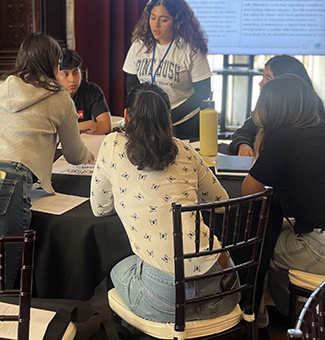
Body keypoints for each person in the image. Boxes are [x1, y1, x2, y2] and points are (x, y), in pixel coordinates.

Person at [0, 32, 91, 288]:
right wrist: (91, 156)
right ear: (54, 63)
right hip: (0, 188)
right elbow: (74, 154)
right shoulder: (59, 98)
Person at [91, 83, 237, 323]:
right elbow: (221, 203)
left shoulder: (112, 144)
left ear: (126, 115)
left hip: (166, 300)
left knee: (117, 269)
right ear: (168, 118)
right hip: (222, 288)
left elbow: (99, 208)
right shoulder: (187, 150)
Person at [241, 74, 325, 316]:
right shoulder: (318, 132)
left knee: (256, 249)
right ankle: (292, 314)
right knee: (273, 232)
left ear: (273, 107)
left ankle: (258, 325)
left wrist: (262, 142)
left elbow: (250, 190)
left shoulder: (284, 139)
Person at [123, 0, 211, 140]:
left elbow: (202, 92)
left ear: (177, 22)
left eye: (163, 20)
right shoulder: (139, 45)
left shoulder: (191, 49)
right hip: (148, 122)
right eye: (152, 18)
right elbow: (132, 85)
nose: (156, 25)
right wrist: (144, 114)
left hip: (183, 124)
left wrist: (168, 117)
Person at [229, 54, 325, 156]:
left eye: (268, 79)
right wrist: (243, 145)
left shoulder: (313, 120)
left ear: (285, 84)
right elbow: (243, 132)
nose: (261, 83)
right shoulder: (267, 108)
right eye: (263, 77)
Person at [57, 48, 112, 134]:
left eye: (75, 73)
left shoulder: (92, 90)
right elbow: (52, 132)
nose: (72, 80)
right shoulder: (50, 95)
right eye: (65, 74)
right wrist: (79, 126)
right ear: (55, 76)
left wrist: (68, 130)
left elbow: (106, 126)